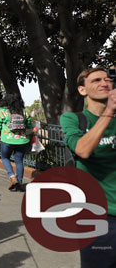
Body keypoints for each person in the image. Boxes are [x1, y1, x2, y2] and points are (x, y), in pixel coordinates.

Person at [60, 67, 116, 267]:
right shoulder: (73, 119)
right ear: (82, 90)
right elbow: (83, 149)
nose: (104, 83)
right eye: (96, 80)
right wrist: (109, 111)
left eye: (107, 79)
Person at [0, 94, 31, 191]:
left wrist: (0, 131)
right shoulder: (24, 111)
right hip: (22, 140)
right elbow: (29, 124)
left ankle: (12, 177)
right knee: (19, 161)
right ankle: (19, 182)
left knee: (5, 158)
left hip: (7, 140)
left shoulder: (2, 111)